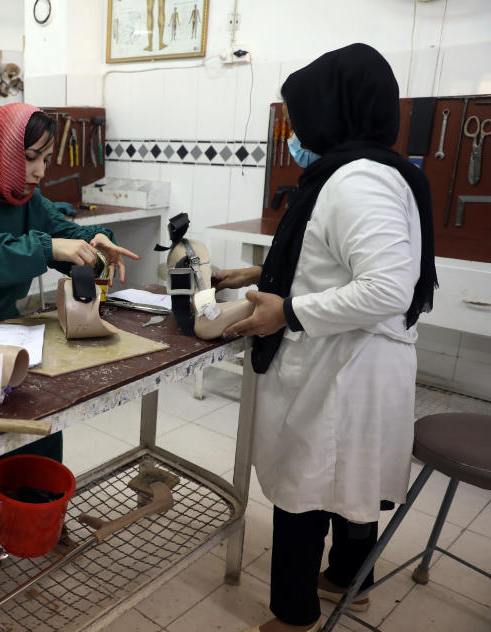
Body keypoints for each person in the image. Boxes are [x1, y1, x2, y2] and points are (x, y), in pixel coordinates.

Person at [214, 44, 437, 632]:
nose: (295, 131)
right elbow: (334, 262)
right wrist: (259, 274)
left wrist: (287, 311)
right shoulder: (373, 170)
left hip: (343, 364)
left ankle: (293, 617)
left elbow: (387, 288)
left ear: (333, 110)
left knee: (306, 488)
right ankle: (348, 582)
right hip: (355, 359)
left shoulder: (357, 179)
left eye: (300, 116)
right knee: (348, 482)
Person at [0, 102, 139, 537]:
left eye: (45, 159)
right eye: (29, 158)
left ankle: (36, 516)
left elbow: (64, 231)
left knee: (40, 424)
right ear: (0, 153)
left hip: (7, 334)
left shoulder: (24, 198)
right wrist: (46, 249)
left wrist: (97, 239)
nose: (39, 172)